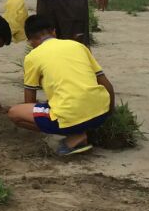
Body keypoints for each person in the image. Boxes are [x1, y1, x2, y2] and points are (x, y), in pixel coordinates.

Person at [7, 14, 114, 156]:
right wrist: (110, 110)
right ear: (54, 32)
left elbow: (30, 96)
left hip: (70, 114)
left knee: (15, 113)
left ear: (30, 41)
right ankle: (80, 131)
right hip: (101, 112)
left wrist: (33, 112)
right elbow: (104, 81)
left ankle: (75, 136)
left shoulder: (32, 57)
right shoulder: (78, 46)